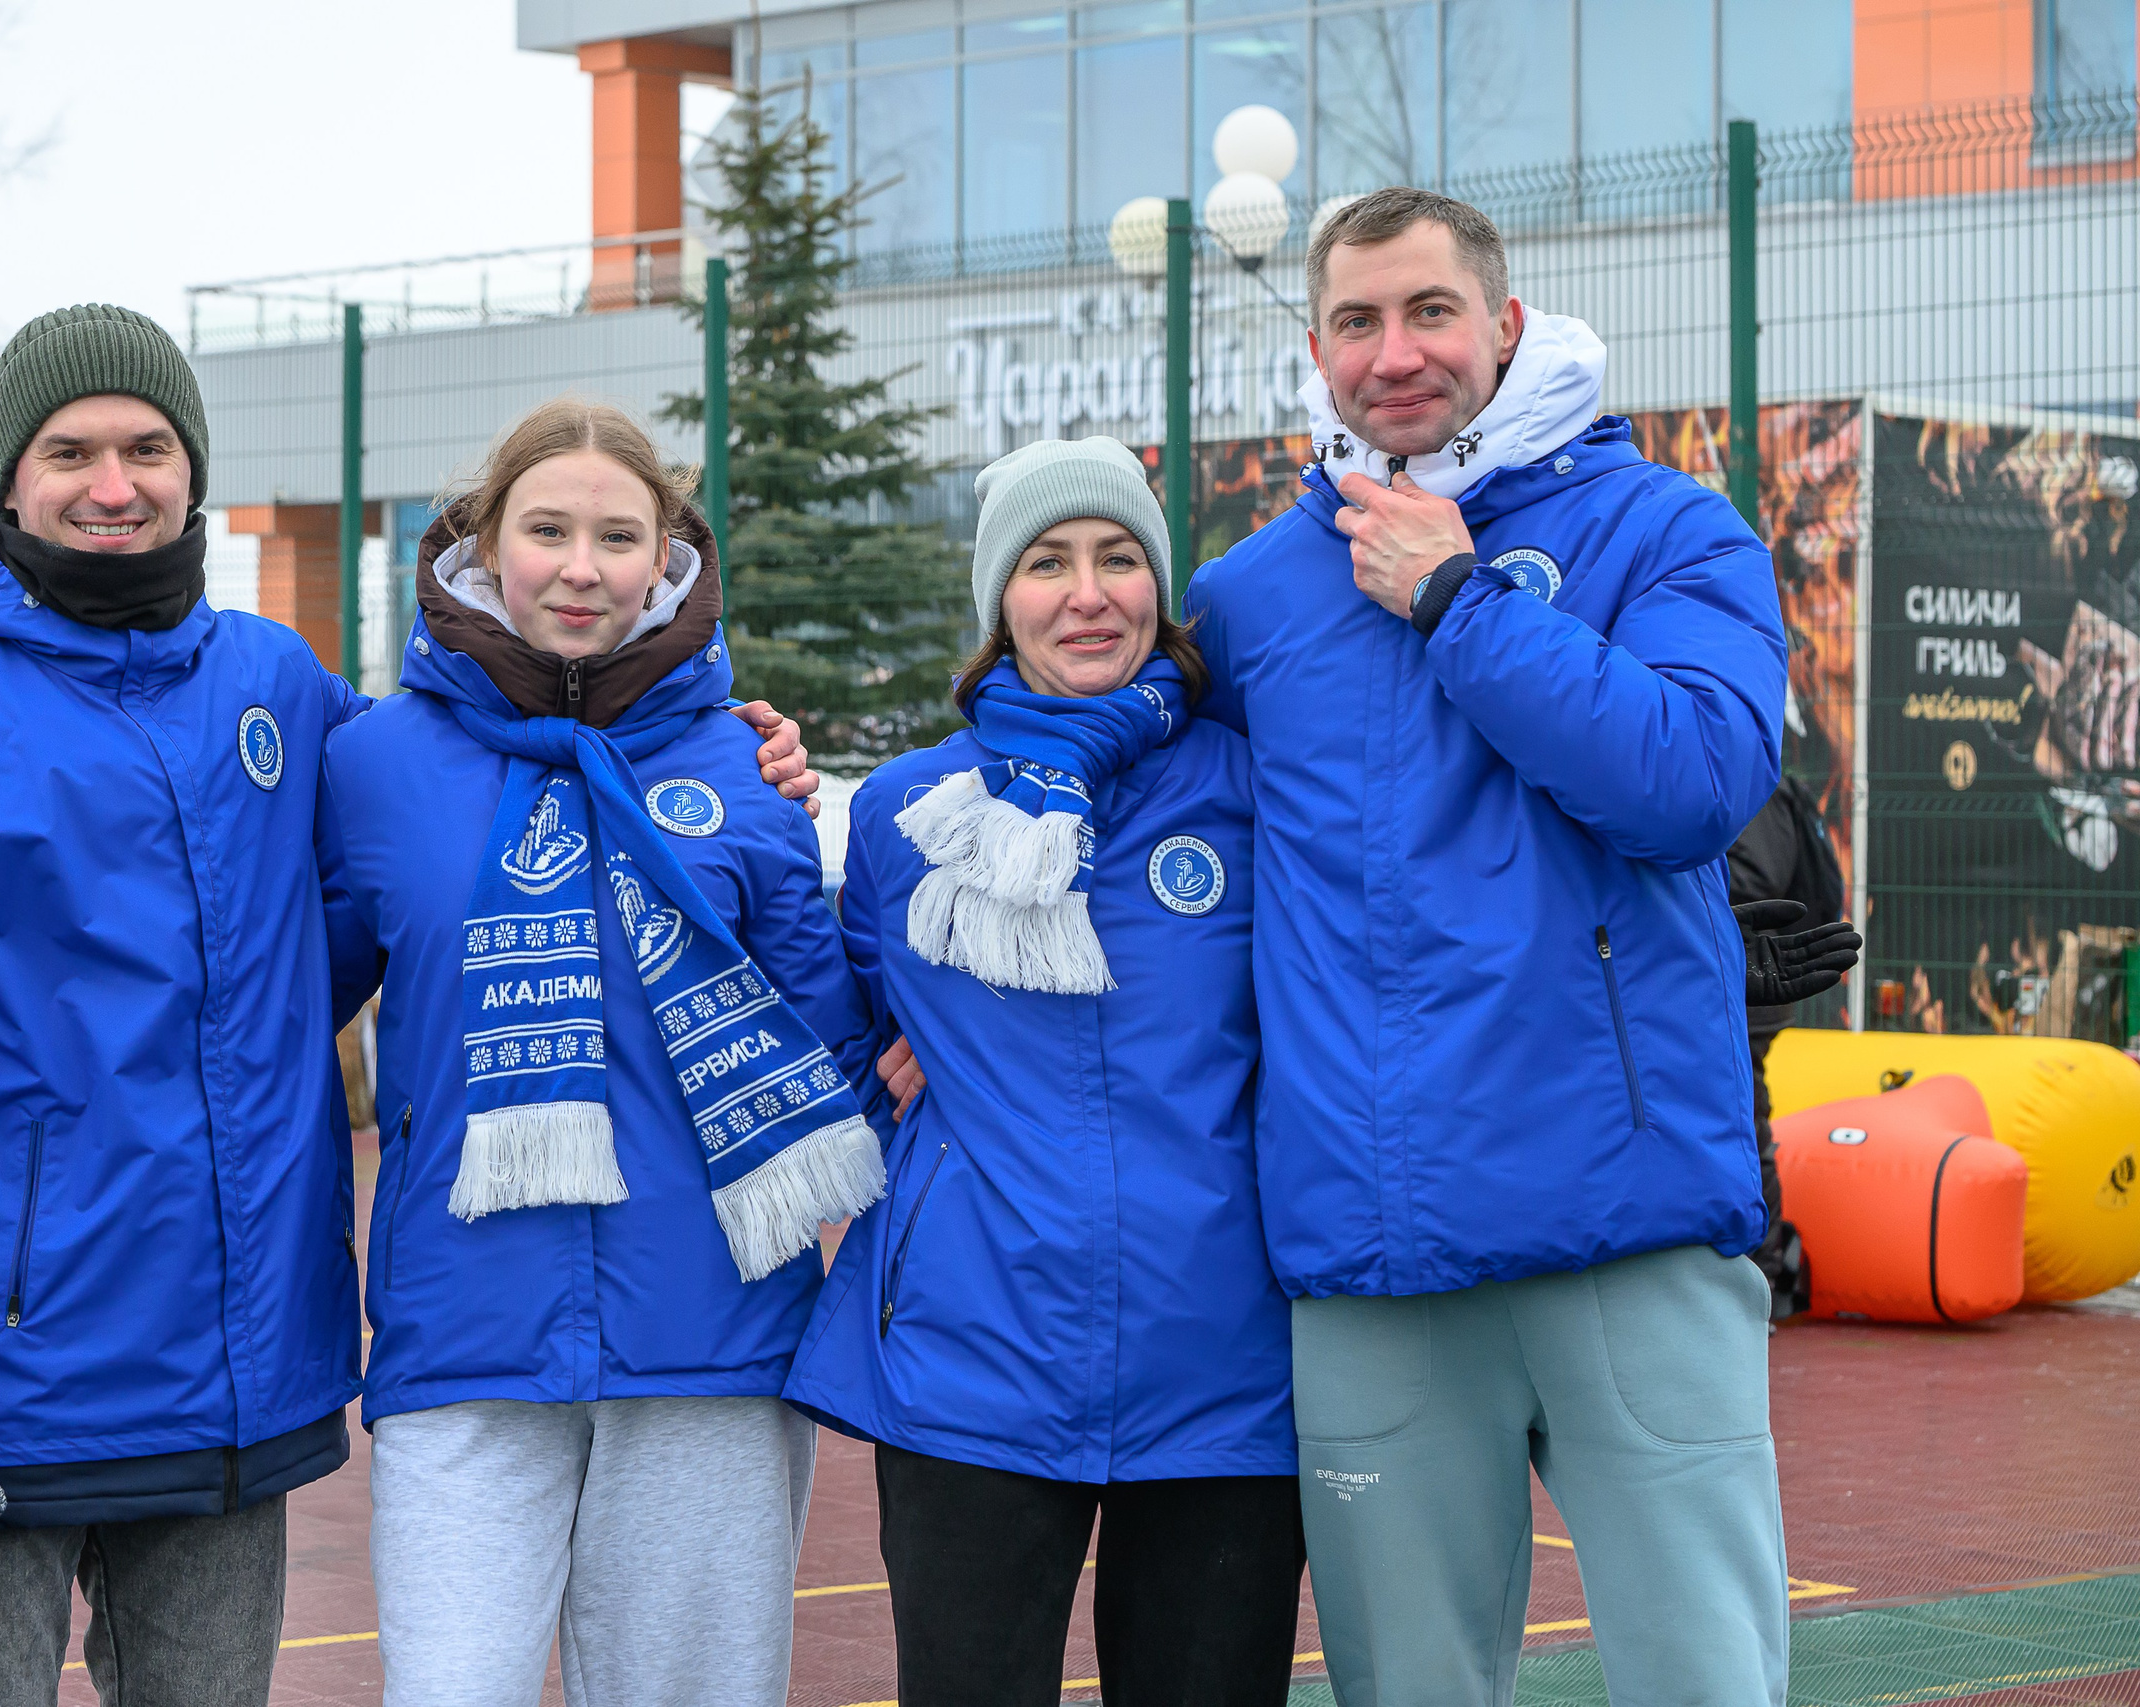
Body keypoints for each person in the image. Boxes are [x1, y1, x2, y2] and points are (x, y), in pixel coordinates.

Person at [0, 310, 817, 1706]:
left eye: (147, 446)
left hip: (230, 1402)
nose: (112, 482)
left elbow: (473, 793)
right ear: (5, 478)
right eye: (69, 450)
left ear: (195, 471)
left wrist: (733, 749)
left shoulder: (272, 685)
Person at [1180, 189, 1792, 1703]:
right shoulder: (1251, 596)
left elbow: (1694, 783)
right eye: (1359, 322)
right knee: (1408, 1686)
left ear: (1505, 326)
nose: (1397, 354)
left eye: (1431, 312)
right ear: (1315, 350)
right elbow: (1157, 842)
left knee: (1701, 1675)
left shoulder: (1666, 528)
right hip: (1373, 1242)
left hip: (1626, 1209)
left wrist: (1459, 601)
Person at [322, 399, 886, 1707]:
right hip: (465, 1334)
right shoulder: (376, 761)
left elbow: (831, 1039)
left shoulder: (747, 765)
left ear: (667, 558)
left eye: (618, 536)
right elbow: (280, 1007)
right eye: (549, 529)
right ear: (481, 542)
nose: (582, 566)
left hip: (713, 1335)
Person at [785, 438, 1303, 1707]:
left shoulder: (1255, 791)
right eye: (1046, 562)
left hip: (1225, 1372)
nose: (1087, 593)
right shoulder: (912, 816)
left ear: (1157, 589)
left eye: (1119, 559)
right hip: (973, 1366)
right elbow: (825, 1031)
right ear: (997, 601)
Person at [1730, 772, 1855, 1317]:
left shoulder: (1753, 788)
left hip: (1749, 977)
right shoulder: (1746, 781)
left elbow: (1757, 883)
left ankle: (1764, 1271)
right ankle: (1762, 1267)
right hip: (1738, 973)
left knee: (1745, 1119)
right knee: (1742, 1118)